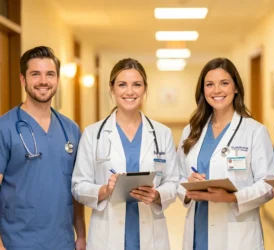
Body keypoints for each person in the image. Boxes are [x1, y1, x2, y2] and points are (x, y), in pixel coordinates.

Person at [72, 58, 178, 250]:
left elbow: (173, 182)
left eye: (136, 85)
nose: (130, 91)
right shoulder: (93, 134)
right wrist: (104, 190)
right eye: (122, 85)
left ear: (145, 89)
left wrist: (156, 194)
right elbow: (78, 186)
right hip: (107, 235)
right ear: (112, 89)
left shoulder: (162, 133)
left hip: (151, 235)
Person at [177, 57, 274, 250]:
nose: (217, 90)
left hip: (236, 236)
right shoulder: (191, 130)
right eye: (209, 84)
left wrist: (232, 197)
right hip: (198, 230)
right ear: (202, 90)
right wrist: (188, 189)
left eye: (224, 83)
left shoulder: (254, 131)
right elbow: (177, 177)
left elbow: (268, 183)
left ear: (236, 88)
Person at [0, 46, 86, 250]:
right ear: (23, 79)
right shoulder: (5, 127)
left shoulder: (70, 129)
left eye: (50, 74)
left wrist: (81, 235)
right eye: (35, 74)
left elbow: (77, 188)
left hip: (62, 241)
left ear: (57, 79)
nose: (43, 81)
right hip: (17, 242)